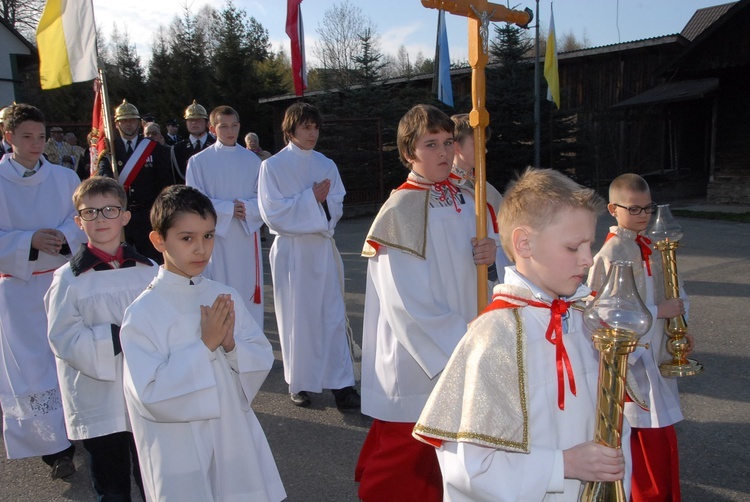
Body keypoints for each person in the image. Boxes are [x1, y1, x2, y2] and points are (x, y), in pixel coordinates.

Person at [413, 167, 630, 501]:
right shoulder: (495, 337)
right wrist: (563, 465)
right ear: (524, 243)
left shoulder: (585, 319)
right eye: (573, 248)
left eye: (590, 244)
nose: (588, 260)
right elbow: (469, 467)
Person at [355, 104, 500, 502]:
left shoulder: (465, 198)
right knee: (411, 453)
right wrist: (463, 342)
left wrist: (492, 253)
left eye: (448, 142)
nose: (443, 152)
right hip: (425, 353)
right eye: (430, 144)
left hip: (468, 332)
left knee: (453, 450)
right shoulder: (399, 211)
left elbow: (491, 261)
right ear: (409, 154)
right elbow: (407, 301)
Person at [120, 185, 286, 502]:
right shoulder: (143, 313)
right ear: (158, 241)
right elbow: (149, 394)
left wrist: (231, 347)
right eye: (187, 238)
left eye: (208, 236)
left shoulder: (223, 294)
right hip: (178, 446)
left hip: (231, 433)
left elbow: (260, 355)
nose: (201, 249)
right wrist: (204, 346)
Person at [44, 176, 158, 500]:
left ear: (125, 216)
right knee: (112, 488)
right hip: (98, 397)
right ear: (79, 222)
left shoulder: (148, 270)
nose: (100, 219)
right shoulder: (68, 280)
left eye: (109, 210)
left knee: (153, 479)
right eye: (90, 213)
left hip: (144, 393)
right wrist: (116, 337)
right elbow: (62, 336)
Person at [587, 173, 686, 502]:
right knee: (641, 443)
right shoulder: (612, 253)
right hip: (632, 366)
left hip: (656, 356)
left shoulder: (652, 246)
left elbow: (671, 290)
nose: (644, 216)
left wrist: (680, 330)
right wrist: (660, 311)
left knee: (662, 438)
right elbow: (604, 313)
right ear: (613, 209)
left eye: (648, 208)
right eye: (635, 209)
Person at [0, 103, 86, 479]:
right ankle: (54, 450)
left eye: (41, 136)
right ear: (8, 138)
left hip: (61, 281)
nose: (36, 145)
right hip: (16, 289)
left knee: (68, 358)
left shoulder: (65, 178)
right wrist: (27, 241)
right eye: (26, 137)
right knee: (33, 369)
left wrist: (65, 237)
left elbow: (82, 219)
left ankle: (79, 430)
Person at [258, 102, 360, 410]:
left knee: (331, 314)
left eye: (315, 127)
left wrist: (319, 206)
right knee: (297, 319)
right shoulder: (272, 167)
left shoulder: (326, 163)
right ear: (290, 130)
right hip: (292, 251)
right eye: (305, 127)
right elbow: (272, 212)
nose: (312, 133)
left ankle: (342, 385)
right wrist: (310, 200)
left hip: (320, 248)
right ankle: (300, 383)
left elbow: (337, 203)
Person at [186, 106, 265, 327]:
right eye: (223, 126)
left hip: (245, 235)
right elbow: (194, 199)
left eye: (234, 125)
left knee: (247, 292)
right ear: (212, 129)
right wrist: (228, 209)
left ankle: (249, 344)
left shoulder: (253, 161)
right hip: (215, 237)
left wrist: (247, 209)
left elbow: (264, 197)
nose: (230, 131)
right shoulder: (199, 161)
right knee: (218, 289)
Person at [97, 99, 173, 262]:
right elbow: (103, 178)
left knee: (152, 261)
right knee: (122, 262)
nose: (128, 125)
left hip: (148, 215)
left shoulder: (155, 148)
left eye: (132, 120)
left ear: (139, 123)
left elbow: (165, 183)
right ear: (117, 124)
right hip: (120, 215)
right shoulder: (110, 150)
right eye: (124, 121)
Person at [451, 113, 510, 273]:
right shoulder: (444, 190)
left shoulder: (484, 186)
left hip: (492, 274)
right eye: (477, 144)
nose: (484, 150)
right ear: (457, 147)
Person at [170, 100, 216, 182]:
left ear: (207, 123)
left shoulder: (217, 145)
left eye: (198, 120)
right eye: (191, 120)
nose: (194, 123)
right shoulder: (177, 149)